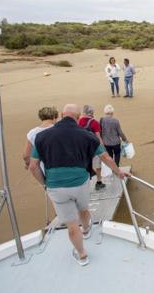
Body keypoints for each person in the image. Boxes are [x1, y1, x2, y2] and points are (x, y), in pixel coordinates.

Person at [29, 104, 130, 266]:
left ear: (61, 115)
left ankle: (82, 255)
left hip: (56, 186)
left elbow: (33, 166)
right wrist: (118, 172)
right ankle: (87, 230)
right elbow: (105, 157)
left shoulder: (41, 137)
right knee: (83, 209)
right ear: (78, 118)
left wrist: (45, 184)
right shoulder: (86, 135)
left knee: (71, 224)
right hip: (80, 183)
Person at [78, 105, 105, 190]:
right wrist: (103, 147)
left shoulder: (79, 121)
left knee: (85, 165)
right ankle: (99, 182)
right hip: (94, 147)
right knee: (97, 165)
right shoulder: (95, 122)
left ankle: (85, 185)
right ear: (92, 112)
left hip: (83, 147)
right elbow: (98, 137)